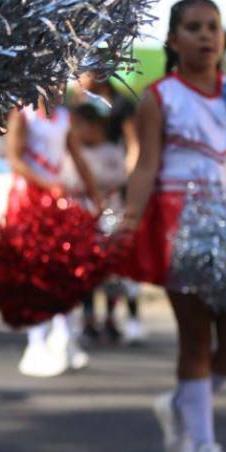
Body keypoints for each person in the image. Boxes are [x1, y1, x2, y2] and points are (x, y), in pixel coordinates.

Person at [120, 0, 226, 452]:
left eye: (213, 27)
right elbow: (146, 167)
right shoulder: (158, 97)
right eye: (194, 27)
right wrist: (126, 221)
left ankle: (180, 403)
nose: (205, 36)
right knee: (196, 338)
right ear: (174, 40)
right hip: (180, 224)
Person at [6, 98, 102, 378]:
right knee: (35, 270)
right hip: (30, 199)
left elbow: (77, 156)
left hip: (57, 198)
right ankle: (36, 342)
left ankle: (63, 336)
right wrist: (48, 185)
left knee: (63, 267)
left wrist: (93, 193)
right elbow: (15, 157)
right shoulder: (23, 115)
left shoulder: (63, 117)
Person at [64, 103, 137, 344]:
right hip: (82, 217)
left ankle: (110, 317)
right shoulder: (74, 153)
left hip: (110, 215)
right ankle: (87, 317)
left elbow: (120, 177)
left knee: (111, 273)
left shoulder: (111, 151)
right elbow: (70, 180)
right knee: (85, 271)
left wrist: (97, 187)